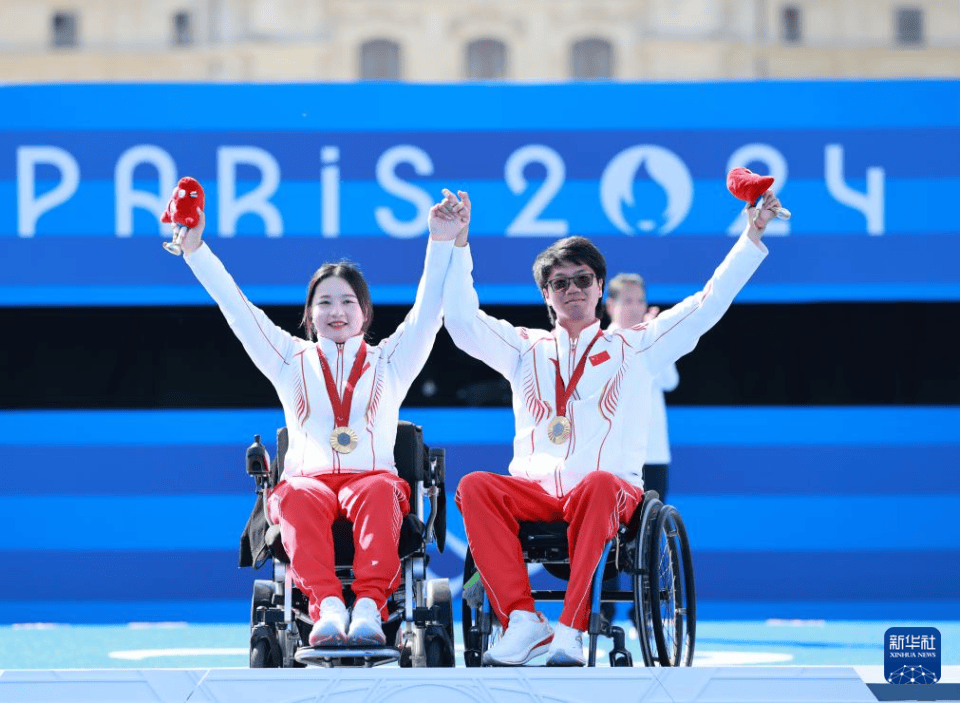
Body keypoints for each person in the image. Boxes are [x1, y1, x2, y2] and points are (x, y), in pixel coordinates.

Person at [445, 190, 782, 666]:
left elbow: (707, 305)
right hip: (536, 496)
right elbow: (461, 321)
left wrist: (752, 234)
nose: (573, 289)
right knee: (475, 485)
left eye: (583, 279)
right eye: (560, 283)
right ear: (546, 295)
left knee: (601, 482)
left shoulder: (635, 347)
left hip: (609, 494)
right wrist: (458, 243)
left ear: (600, 286)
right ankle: (523, 621)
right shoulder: (524, 348)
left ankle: (571, 628)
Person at [167, 187, 467, 648]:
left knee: (381, 489)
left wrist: (441, 240)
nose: (336, 312)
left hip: (372, 481)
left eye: (347, 301)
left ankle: (369, 606)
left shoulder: (392, 361)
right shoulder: (288, 358)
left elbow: (429, 311)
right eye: (324, 302)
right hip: (310, 482)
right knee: (295, 494)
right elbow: (236, 307)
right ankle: (326, 605)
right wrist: (195, 250)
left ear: (365, 312)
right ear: (309, 314)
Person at [600, 274, 679, 625]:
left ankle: (643, 608)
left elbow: (670, 380)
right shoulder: (601, 341)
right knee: (605, 530)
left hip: (654, 452)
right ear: (610, 305)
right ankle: (603, 608)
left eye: (639, 301)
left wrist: (654, 335)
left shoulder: (654, 339)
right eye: (626, 301)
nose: (634, 307)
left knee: (649, 531)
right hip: (612, 453)